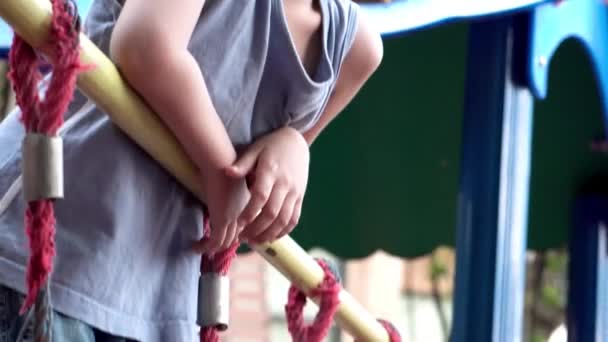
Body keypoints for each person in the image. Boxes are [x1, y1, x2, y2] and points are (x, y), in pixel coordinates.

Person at [0, 0, 383, 340]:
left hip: (161, 303)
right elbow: (146, 45)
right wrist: (220, 167)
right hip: (49, 248)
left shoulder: (353, 47)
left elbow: (252, 194)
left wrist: (295, 144)